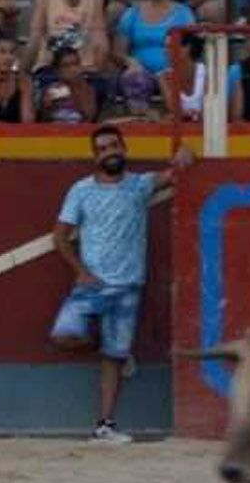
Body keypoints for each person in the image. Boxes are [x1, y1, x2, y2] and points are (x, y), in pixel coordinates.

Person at [50, 122, 192, 442]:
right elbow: (59, 237)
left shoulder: (139, 185)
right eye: (102, 149)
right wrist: (81, 270)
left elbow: (176, 172)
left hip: (128, 285)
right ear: (94, 157)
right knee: (64, 335)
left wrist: (186, 155)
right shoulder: (81, 190)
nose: (109, 153)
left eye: (113, 146)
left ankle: (105, 424)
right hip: (93, 285)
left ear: (124, 149)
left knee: (113, 356)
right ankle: (106, 350)